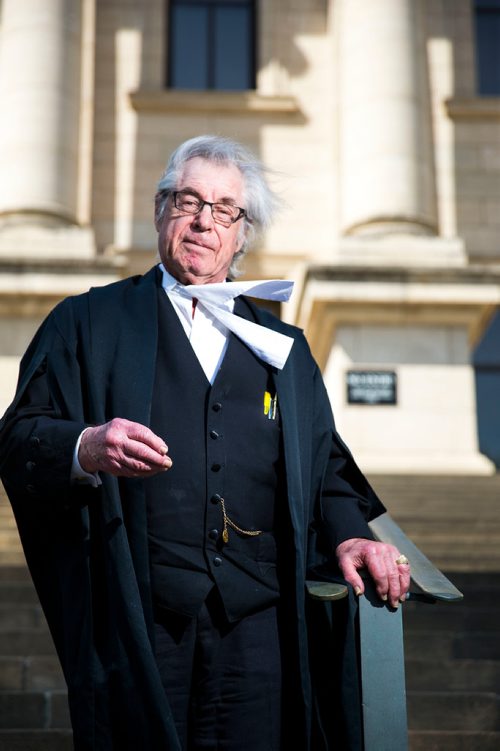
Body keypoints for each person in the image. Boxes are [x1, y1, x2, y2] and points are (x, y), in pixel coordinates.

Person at [0, 135, 410, 751]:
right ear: (162, 210)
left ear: (242, 234)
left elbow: (323, 468)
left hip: (258, 625)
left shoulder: (285, 349)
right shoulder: (87, 323)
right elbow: (20, 437)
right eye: (188, 200)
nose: (203, 221)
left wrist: (352, 534)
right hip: (141, 615)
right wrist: (85, 445)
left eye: (224, 210)